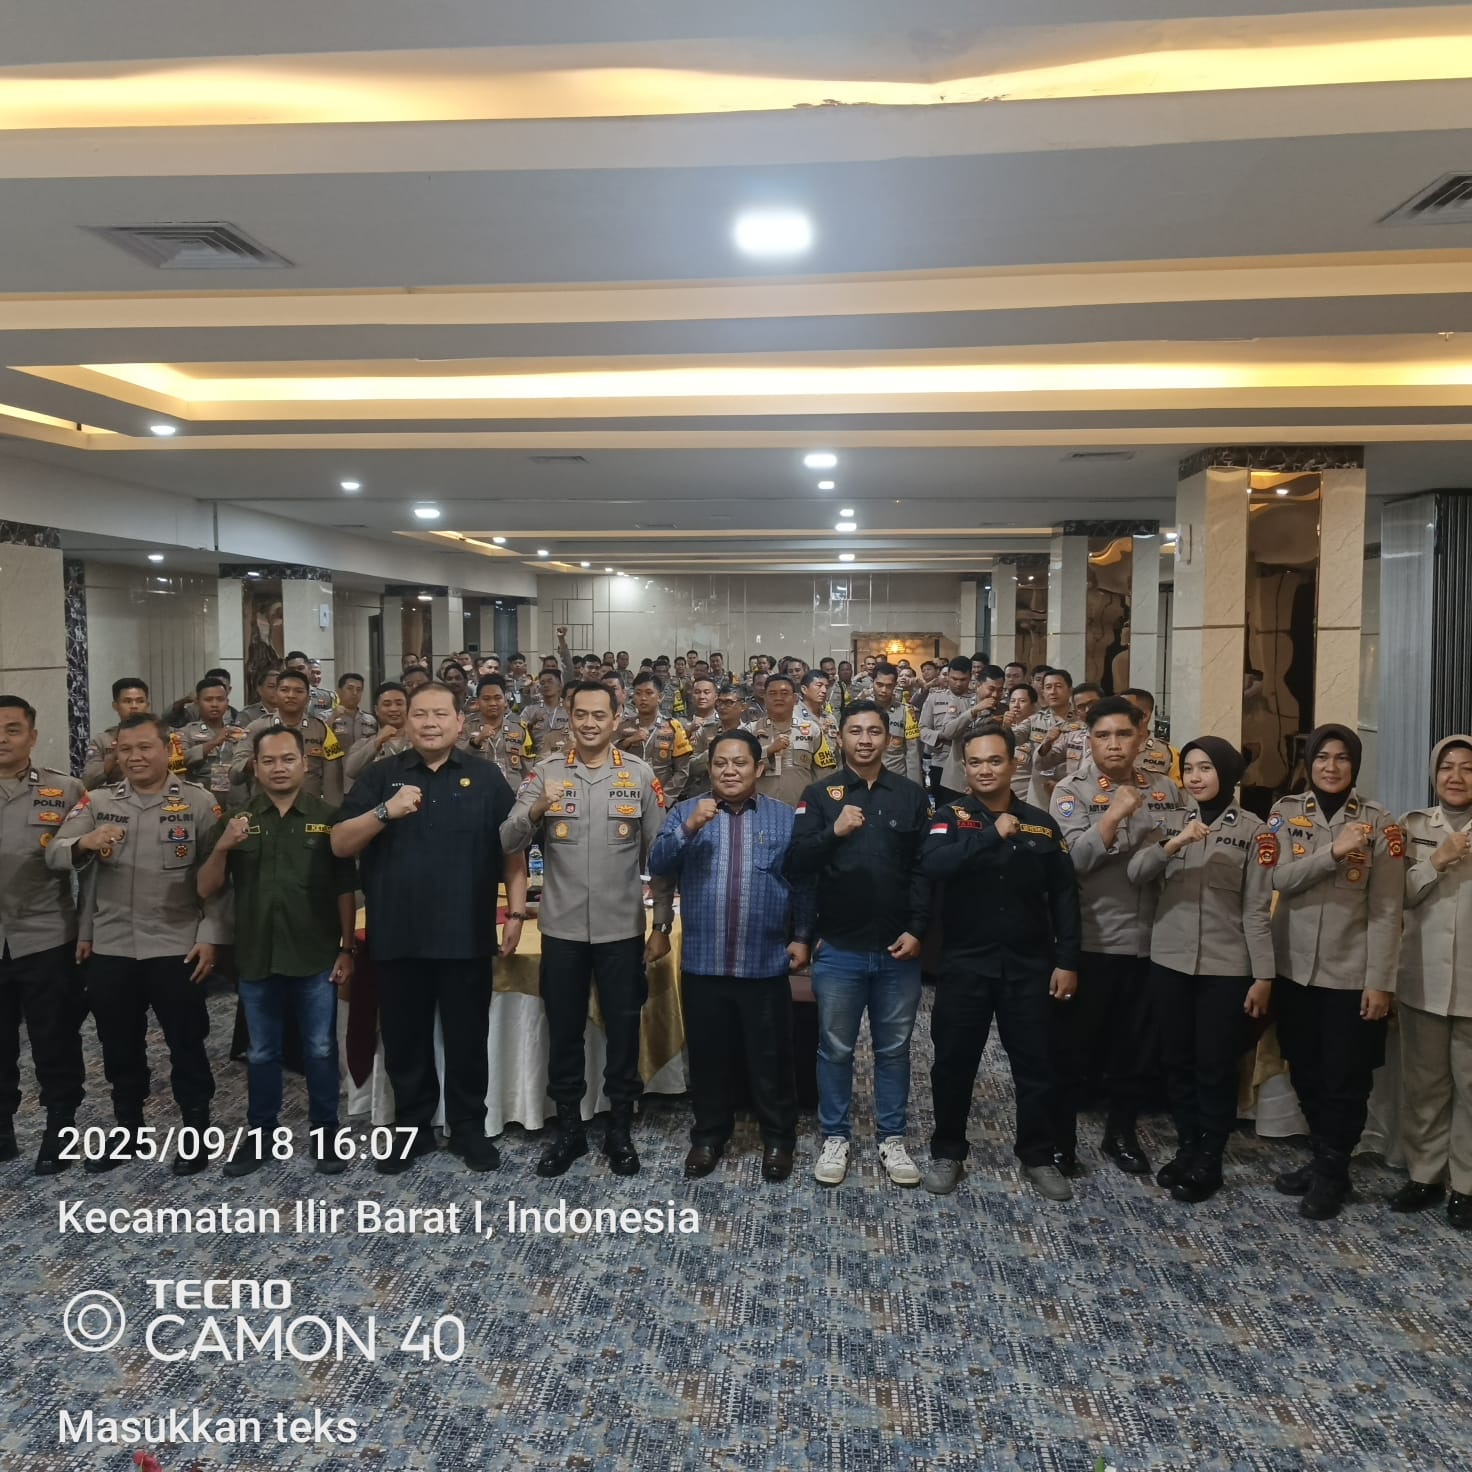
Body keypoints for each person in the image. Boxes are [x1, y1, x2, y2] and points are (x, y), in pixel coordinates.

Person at [334, 682, 527, 1174]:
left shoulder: (486, 777)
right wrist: (385, 811)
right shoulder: (382, 776)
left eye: (441, 714)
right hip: (398, 933)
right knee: (405, 1040)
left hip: (466, 933)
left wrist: (516, 912)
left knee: (467, 1038)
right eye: (420, 714)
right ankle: (412, 1128)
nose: (430, 723)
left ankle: (467, 1127)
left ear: (460, 722)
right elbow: (339, 843)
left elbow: (512, 849)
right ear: (406, 722)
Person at [500, 682, 673, 1179]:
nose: (590, 723)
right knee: (564, 1033)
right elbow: (507, 838)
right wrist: (537, 808)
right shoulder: (546, 773)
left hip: (622, 931)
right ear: (570, 718)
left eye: (600, 715)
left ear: (616, 720)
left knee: (623, 1032)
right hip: (563, 931)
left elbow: (662, 857)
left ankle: (619, 1128)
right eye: (581, 714)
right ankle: (570, 1131)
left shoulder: (638, 775)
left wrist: (661, 923)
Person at [49, 715, 230, 1174]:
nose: (134, 757)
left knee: (186, 1043)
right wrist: (85, 842)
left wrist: (211, 936)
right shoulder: (99, 800)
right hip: (113, 946)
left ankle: (196, 1131)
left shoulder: (198, 802)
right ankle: (129, 1129)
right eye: (125, 749)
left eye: (145, 747)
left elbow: (219, 880)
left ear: (167, 748)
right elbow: (53, 851)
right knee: (118, 1046)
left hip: (177, 944)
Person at [919, 725, 1080, 1201]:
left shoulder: (1041, 824)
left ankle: (1038, 1154)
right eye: (975, 762)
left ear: (1013, 763)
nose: (985, 770)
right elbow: (934, 865)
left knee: (1035, 1065)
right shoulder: (949, 817)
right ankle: (948, 1151)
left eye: (994, 761)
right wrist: (990, 835)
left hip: (1029, 964)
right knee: (953, 1063)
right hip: (965, 963)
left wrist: (1067, 959)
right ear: (964, 768)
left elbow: (1065, 896)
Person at [648, 729, 812, 1183]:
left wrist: (802, 935)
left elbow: (803, 882)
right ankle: (708, 1137)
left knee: (771, 1056)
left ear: (759, 768)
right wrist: (689, 828)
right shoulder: (685, 811)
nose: (730, 771)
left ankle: (779, 1139)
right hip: (704, 960)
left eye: (740, 763)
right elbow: (657, 864)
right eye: (721, 763)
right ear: (709, 768)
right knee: (708, 1057)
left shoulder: (784, 818)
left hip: (764, 961)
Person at [196, 727, 358, 1176]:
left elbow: (345, 889)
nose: (279, 768)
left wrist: (346, 949)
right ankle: (262, 1133)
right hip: (256, 956)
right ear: (256, 766)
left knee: (320, 1048)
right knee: (262, 1052)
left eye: (288, 759)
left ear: (305, 764)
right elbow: (206, 888)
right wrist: (223, 847)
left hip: (315, 954)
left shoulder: (328, 818)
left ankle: (326, 1133)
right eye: (269, 761)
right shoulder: (238, 819)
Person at [784, 700, 932, 1187]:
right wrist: (833, 831)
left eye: (874, 731)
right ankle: (835, 1136)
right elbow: (796, 864)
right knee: (834, 1048)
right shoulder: (819, 794)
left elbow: (923, 870)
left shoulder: (911, 796)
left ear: (888, 739)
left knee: (895, 1049)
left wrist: (918, 928)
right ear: (840, 737)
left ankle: (892, 1137)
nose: (865, 740)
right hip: (839, 947)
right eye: (855, 731)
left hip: (897, 949)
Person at [1126, 738, 1275, 1203]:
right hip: (1169, 959)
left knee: (1214, 1065)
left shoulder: (1254, 831)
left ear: (1227, 773)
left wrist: (1264, 976)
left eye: (1206, 768)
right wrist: (1173, 844)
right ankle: (1188, 1145)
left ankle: (1210, 1158)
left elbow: (1256, 911)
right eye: (1189, 768)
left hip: (1225, 967)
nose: (1195, 777)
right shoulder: (1169, 820)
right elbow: (1137, 872)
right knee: (1176, 1061)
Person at [1268, 724, 1403, 1219]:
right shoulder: (1285, 813)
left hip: (1351, 975)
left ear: (1355, 764)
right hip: (1293, 969)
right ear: (1309, 762)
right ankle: (1328, 1161)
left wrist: (1380, 981)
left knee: (1346, 1079)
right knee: (1304, 1068)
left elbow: (1387, 908)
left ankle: (1330, 1171)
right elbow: (1278, 877)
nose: (1331, 767)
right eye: (1322, 757)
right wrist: (1334, 851)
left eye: (1342, 758)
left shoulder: (1381, 823)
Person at [1050, 696, 1181, 1178]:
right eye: (1103, 736)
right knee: (1075, 1047)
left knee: (1134, 1048)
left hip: (1152, 940)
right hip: (1094, 938)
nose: (1113, 744)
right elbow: (1072, 863)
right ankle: (1060, 1138)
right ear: (1089, 740)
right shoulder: (1071, 790)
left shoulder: (1165, 789)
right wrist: (1112, 816)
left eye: (1123, 734)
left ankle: (1121, 1133)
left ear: (1140, 738)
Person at [0, 696, 88, 1174]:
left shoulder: (66, 789)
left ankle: (61, 1126)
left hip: (46, 935)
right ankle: (2, 1129)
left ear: (32, 736)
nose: (2, 739)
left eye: (13, 729)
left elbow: (87, 865)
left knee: (54, 1037)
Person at [1395, 734, 1472, 1230]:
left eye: (1467, 768)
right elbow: (1394, 895)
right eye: (1447, 767)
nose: (1456, 777)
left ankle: (1466, 1185)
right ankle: (1424, 1176)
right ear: (1433, 774)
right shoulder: (1413, 826)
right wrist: (1437, 860)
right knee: (1424, 1085)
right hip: (1422, 975)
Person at [234, 670, 345, 804]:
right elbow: (234, 775)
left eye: (298, 691)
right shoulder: (256, 728)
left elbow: (333, 783)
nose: (291, 695)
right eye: (285, 690)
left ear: (308, 699)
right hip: (265, 809)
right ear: (276, 694)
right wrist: (260, 756)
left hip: (309, 810)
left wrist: (332, 813)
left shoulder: (322, 730)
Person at [749, 674, 835, 808]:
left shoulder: (812, 730)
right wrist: (768, 751)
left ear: (795, 698)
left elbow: (824, 773)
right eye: (772, 693)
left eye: (784, 693)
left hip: (801, 809)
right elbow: (742, 766)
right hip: (761, 810)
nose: (778, 698)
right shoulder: (750, 731)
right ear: (764, 698)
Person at [616, 672, 693, 801]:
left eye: (649, 693)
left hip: (661, 799)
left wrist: (664, 800)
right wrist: (628, 741)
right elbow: (609, 760)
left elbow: (682, 771)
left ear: (660, 697)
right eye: (638, 693)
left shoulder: (674, 727)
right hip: (627, 797)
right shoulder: (622, 727)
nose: (643, 698)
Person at [178, 676, 250, 807]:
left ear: (227, 702)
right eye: (208, 699)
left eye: (220, 699)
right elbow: (180, 761)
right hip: (202, 801)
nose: (215, 704)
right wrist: (213, 742)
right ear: (197, 702)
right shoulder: (186, 732)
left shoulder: (239, 731)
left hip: (237, 802)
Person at [937, 665, 1006, 798]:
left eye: (1000, 690)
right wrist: (973, 711)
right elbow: (947, 733)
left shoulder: (1004, 710)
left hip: (989, 780)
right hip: (958, 780)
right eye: (991, 689)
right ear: (978, 685)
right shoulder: (960, 703)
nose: (995, 695)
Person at [463, 674, 535, 785]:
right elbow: (456, 759)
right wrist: (476, 741)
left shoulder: (519, 729)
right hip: (477, 790)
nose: (492, 703)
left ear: (505, 701)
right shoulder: (465, 727)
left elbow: (528, 769)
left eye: (497, 698)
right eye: (486, 699)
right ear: (478, 702)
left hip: (512, 792)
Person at [82, 677, 153, 788]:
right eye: (127, 701)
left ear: (147, 705)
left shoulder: (164, 736)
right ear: (115, 706)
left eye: (140, 701)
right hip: (117, 795)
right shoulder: (102, 740)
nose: (134, 706)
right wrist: (113, 757)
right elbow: (87, 782)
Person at [920, 657, 973, 799]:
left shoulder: (976, 700)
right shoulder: (934, 698)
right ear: (947, 675)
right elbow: (922, 729)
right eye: (954, 678)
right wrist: (941, 736)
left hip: (968, 764)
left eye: (963, 679)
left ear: (970, 677)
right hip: (941, 761)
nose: (958, 683)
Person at [343, 680, 411, 783]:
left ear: (408, 708)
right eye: (387, 704)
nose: (393, 709)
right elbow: (351, 771)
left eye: (399, 703)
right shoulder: (363, 744)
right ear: (376, 710)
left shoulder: (420, 742)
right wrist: (376, 743)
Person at [871, 662, 924, 784]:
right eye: (879, 685)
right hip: (865, 779)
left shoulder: (906, 712)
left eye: (889, 686)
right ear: (872, 682)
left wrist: (915, 788)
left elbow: (912, 754)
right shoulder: (860, 710)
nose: (883, 690)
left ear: (895, 685)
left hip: (895, 779)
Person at [679, 677, 722, 799]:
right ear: (691, 696)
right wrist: (688, 732)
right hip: (685, 789)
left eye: (706, 692)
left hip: (714, 789)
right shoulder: (681, 722)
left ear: (715, 696)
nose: (702, 696)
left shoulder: (723, 722)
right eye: (697, 692)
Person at [329, 672, 375, 753]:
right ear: (339, 691)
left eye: (359, 690)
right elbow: (319, 742)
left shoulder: (371, 720)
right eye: (350, 688)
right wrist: (332, 718)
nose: (355, 693)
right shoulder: (325, 716)